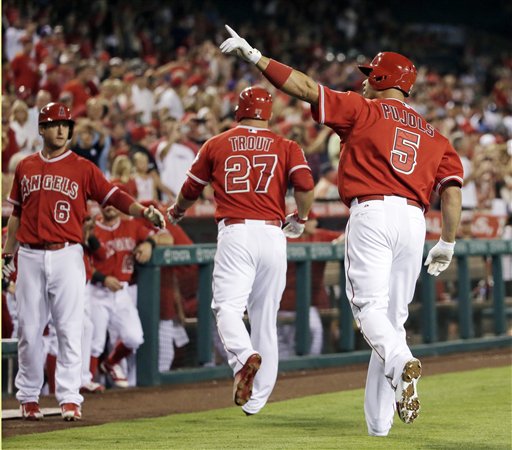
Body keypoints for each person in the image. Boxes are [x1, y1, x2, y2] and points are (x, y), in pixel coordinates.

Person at [220, 27, 463, 435]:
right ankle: (380, 425)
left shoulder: (362, 109)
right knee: (391, 321)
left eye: (371, 74)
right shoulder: (436, 136)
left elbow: (305, 87)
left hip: (372, 213)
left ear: (384, 79)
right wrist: (448, 242)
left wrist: (257, 56)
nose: (365, 79)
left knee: (369, 311)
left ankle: (402, 362)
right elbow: (452, 193)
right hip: (415, 221)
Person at [1, 102, 165, 422]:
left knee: (69, 327)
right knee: (30, 330)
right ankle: (29, 396)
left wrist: (142, 211)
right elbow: (18, 214)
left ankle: (69, 396)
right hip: (31, 254)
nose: (61, 129)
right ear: (42, 129)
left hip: (67, 253)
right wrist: (8, 252)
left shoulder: (83, 167)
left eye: (65, 124)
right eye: (54, 124)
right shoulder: (26, 166)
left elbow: (113, 197)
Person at [167, 85, 315, 415]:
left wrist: (177, 211)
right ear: (270, 113)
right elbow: (305, 185)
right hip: (273, 234)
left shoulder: (216, 143)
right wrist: (301, 218)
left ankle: (243, 355)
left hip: (236, 233)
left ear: (239, 111)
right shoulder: (286, 145)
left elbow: (191, 188)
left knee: (228, 309)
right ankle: (257, 401)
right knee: (265, 319)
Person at [88, 205, 155, 389]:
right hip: (97, 291)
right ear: (100, 206)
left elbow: (153, 236)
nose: (110, 207)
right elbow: (82, 263)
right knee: (95, 342)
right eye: (106, 203)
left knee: (134, 337)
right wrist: (102, 278)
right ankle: (88, 383)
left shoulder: (131, 226)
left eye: (113, 204)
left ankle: (110, 363)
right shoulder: (91, 229)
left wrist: (149, 244)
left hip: (122, 291)